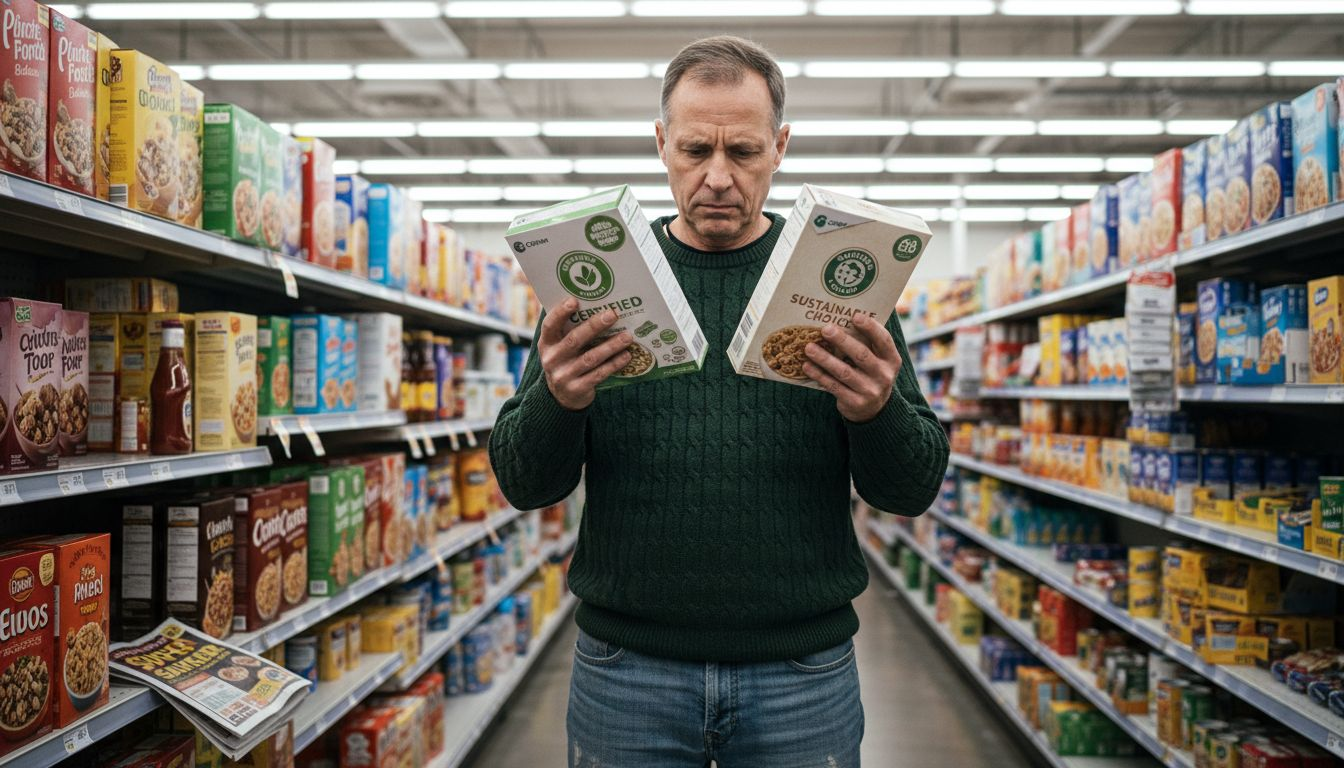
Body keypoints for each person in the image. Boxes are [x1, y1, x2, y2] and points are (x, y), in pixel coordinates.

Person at [489, 34, 949, 768]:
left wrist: (876, 412)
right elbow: (523, 482)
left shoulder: (839, 290)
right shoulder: (600, 283)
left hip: (803, 672)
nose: (718, 178)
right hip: (625, 672)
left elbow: (911, 489)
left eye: (743, 152)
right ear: (661, 144)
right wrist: (559, 399)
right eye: (696, 150)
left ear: (781, 147)